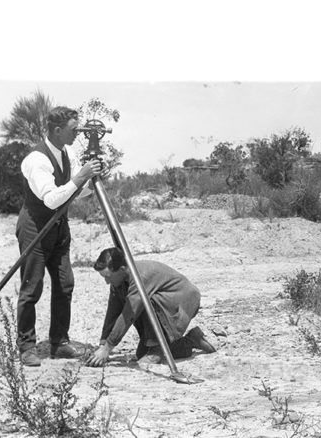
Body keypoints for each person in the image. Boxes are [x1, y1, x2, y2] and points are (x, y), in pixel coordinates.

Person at [16, 106, 105, 367]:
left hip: (59, 228)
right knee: (32, 288)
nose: (78, 133)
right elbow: (53, 198)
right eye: (73, 129)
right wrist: (80, 177)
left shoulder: (68, 153)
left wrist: (93, 176)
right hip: (35, 226)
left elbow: (80, 191)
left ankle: (59, 342)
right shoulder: (37, 160)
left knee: (65, 283)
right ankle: (27, 346)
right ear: (57, 130)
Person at [85, 247, 217, 367]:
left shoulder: (139, 277)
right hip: (165, 305)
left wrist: (108, 347)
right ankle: (192, 340)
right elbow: (113, 311)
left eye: (108, 277)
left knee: (144, 302)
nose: (106, 282)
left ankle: (156, 350)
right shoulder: (119, 279)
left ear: (122, 269)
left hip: (182, 301)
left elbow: (129, 314)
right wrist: (102, 345)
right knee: (142, 353)